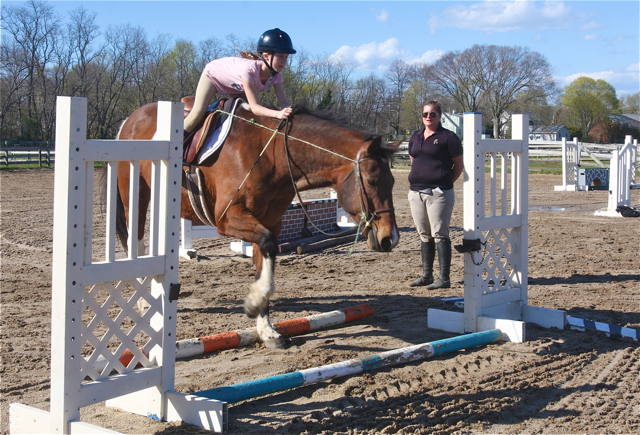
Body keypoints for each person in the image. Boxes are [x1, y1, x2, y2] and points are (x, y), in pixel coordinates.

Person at [183, 28, 296, 142]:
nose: (284, 61)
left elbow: (284, 103)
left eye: (286, 57)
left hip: (235, 85)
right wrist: (278, 114)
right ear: (266, 56)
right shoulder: (249, 71)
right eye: (280, 56)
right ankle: (173, 144)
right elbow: (255, 108)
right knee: (198, 113)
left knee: (247, 116)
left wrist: (294, 114)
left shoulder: (277, 76)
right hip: (213, 76)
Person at [407, 101, 463, 289]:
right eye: (425, 114)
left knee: (439, 233)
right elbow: (414, 160)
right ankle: (426, 275)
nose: (428, 118)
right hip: (416, 192)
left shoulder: (448, 137)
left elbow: (459, 166)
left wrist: (444, 184)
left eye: (432, 114)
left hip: (438, 193)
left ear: (440, 116)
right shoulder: (415, 136)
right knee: (424, 234)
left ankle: (444, 278)